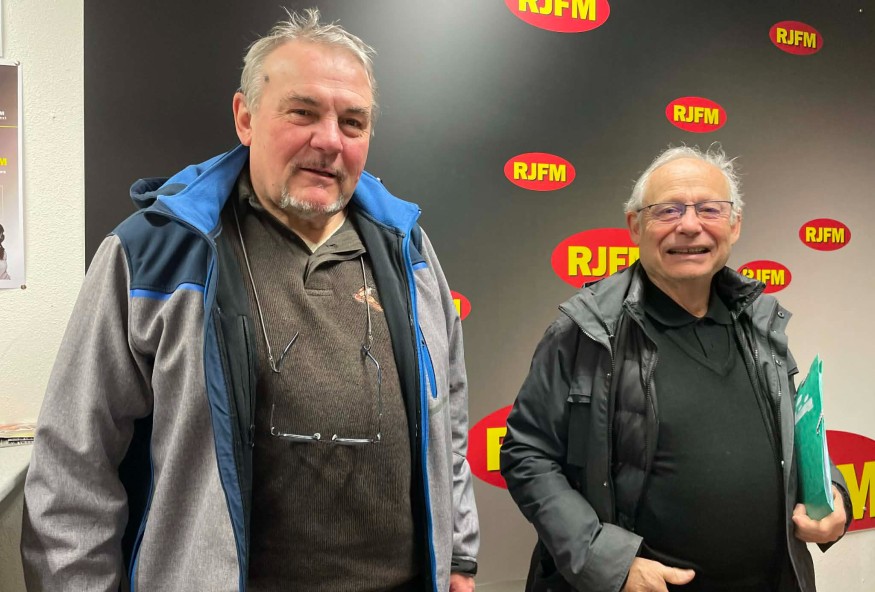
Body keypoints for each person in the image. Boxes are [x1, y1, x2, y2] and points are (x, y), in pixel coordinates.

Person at [21, 8, 478, 592]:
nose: (329, 141)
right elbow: (72, 467)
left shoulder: (408, 249)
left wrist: (459, 557)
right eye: (303, 112)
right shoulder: (157, 253)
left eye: (353, 122)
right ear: (246, 118)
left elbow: (449, 421)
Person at [500, 146, 852, 592]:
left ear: (734, 225)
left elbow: (796, 434)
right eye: (668, 210)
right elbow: (527, 453)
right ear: (635, 226)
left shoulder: (760, 323)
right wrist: (611, 565)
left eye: (709, 209)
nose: (689, 225)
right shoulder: (589, 329)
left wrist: (832, 492)